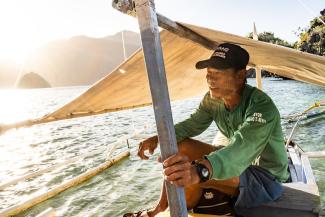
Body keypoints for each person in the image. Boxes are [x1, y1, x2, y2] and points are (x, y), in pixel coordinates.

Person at [124, 43, 290, 217]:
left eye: (217, 74)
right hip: (238, 164)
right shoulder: (213, 100)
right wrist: (158, 138)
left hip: (266, 179)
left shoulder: (262, 107)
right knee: (181, 146)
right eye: (208, 74)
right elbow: (192, 124)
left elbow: (242, 147)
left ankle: (182, 202)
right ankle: (159, 209)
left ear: (240, 75)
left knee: (192, 172)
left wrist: (200, 171)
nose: (210, 79)